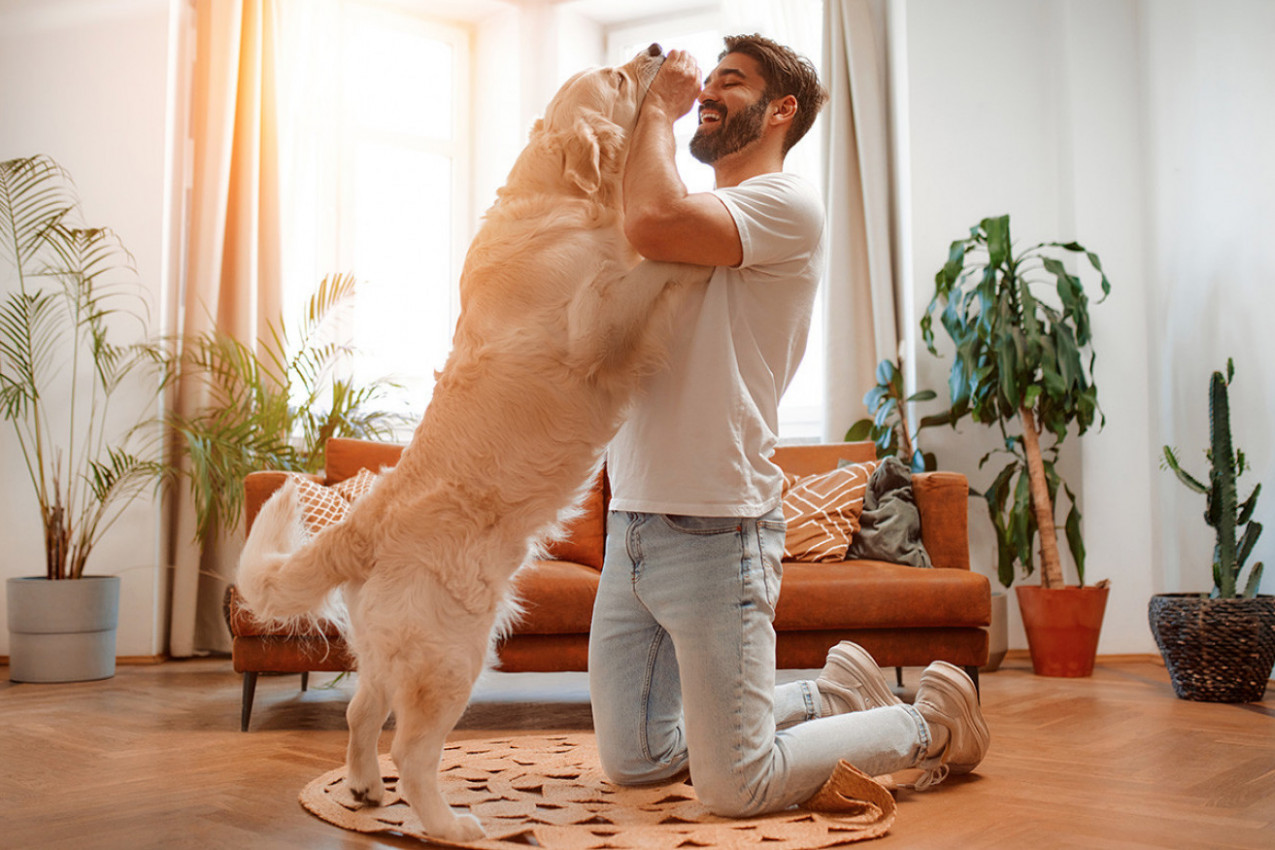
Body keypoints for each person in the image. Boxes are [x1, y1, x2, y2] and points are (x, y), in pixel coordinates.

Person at [588, 34, 989, 817]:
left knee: (737, 786)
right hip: (630, 520)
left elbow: (651, 219)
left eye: (729, 81)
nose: (706, 92)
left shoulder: (785, 203)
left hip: (717, 528)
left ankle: (930, 723)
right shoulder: (696, 215)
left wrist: (657, 112)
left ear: (781, 110)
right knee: (637, 763)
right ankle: (828, 696)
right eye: (705, 81)